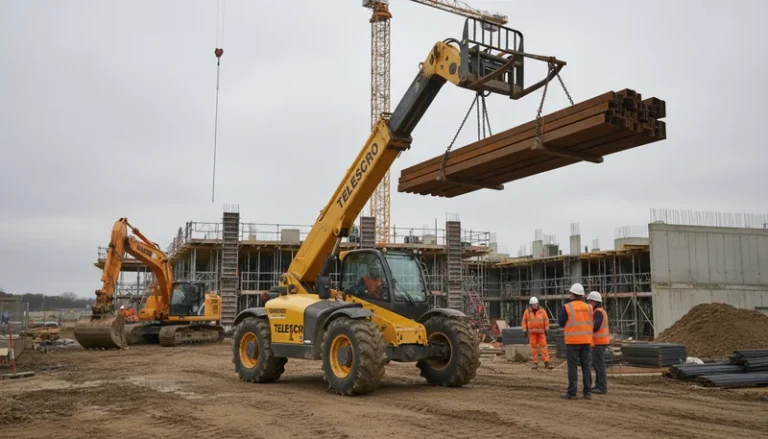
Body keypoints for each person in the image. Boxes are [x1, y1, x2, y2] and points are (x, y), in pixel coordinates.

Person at [558, 282, 593, 400]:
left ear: (572, 294)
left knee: (572, 367)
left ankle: (572, 392)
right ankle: (587, 393)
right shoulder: (589, 307)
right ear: (582, 295)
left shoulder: (567, 307)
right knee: (586, 366)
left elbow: (561, 322)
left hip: (573, 341)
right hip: (586, 341)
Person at [587, 291, 609, 394]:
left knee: (600, 365)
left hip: (600, 342)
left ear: (595, 302)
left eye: (590, 301)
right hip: (598, 342)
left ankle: (602, 387)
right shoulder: (598, 311)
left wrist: (586, 327)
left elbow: (596, 327)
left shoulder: (598, 312)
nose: (588, 303)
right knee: (597, 364)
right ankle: (598, 384)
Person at [522, 296, 551, 369]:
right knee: (533, 348)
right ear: (530, 305)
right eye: (534, 304)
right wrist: (524, 330)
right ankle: (535, 362)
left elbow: (546, 321)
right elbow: (524, 321)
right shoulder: (527, 312)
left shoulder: (542, 311)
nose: (535, 305)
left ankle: (546, 362)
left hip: (541, 333)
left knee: (544, 347)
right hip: (532, 333)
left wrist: (547, 329)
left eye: (536, 304)